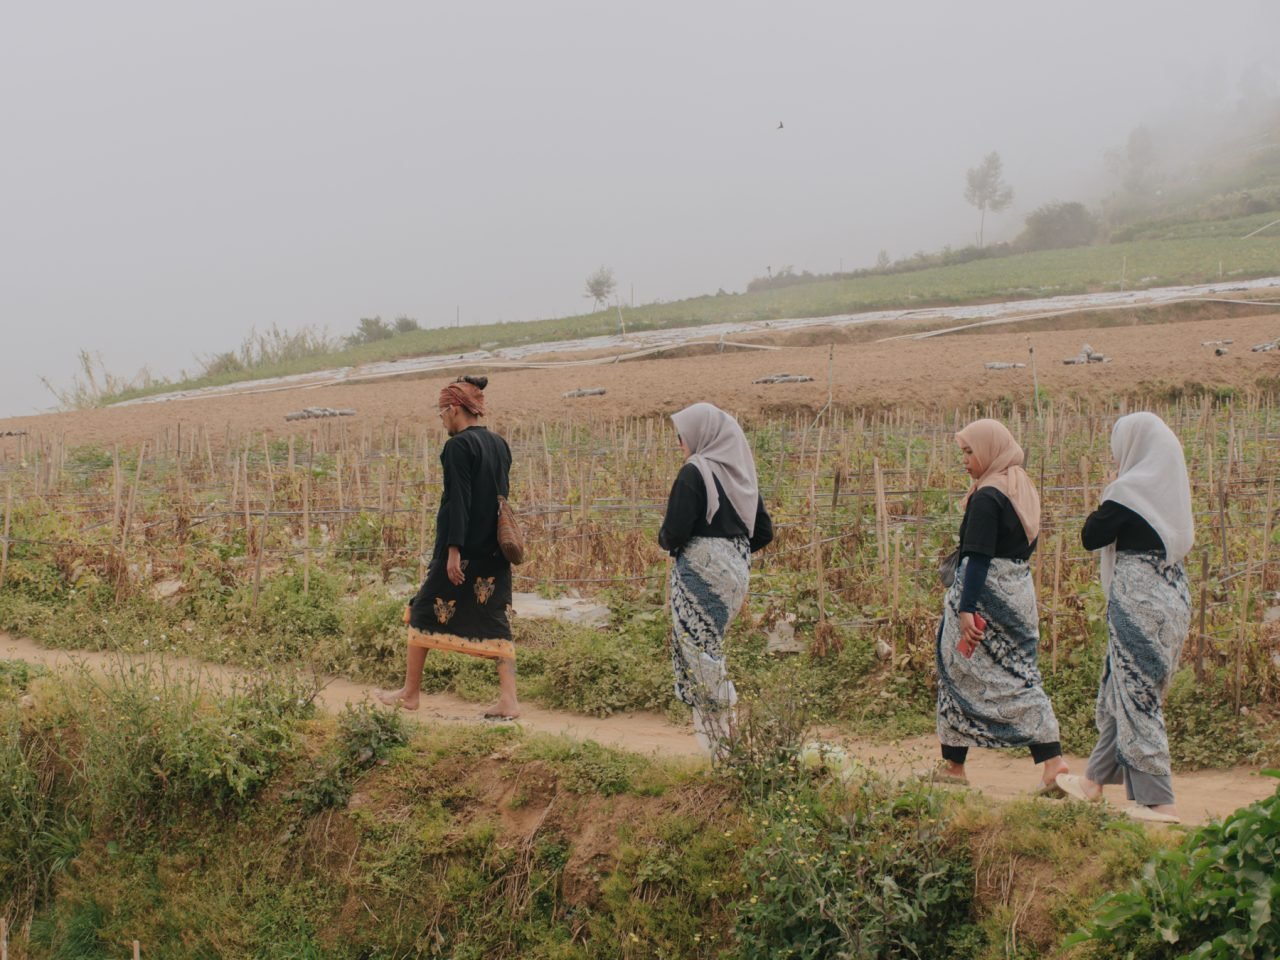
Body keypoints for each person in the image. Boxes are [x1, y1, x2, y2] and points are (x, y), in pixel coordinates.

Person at [1056, 412, 1194, 823]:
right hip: (1173, 597)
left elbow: (1090, 536)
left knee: (1137, 695)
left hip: (1138, 600)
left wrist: (1109, 491)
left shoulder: (1129, 491)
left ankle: (1159, 800)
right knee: (1126, 686)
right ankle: (1093, 782)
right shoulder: (1170, 495)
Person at [932, 419, 1067, 791]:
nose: (966, 459)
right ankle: (1052, 764)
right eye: (964, 452)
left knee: (956, 672)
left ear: (989, 451)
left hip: (984, 597)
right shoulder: (1019, 487)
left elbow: (976, 558)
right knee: (1020, 676)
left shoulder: (987, 497)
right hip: (1018, 593)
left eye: (970, 451)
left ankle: (953, 769)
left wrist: (965, 609)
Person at [376, 375, 519, 719]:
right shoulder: (499, 443)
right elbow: (500, 497)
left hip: (463, 551)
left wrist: (453, 550)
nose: (441, 418)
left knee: (422, 609)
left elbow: (459, 501)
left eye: (441, 412)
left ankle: (410, 694)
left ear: (455, 409)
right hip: (494, 550)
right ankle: (510, 700)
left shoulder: (457, 447)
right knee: (495, 618)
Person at [659, 403, 773, 759]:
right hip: (734, 576)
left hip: (700, 572)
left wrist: (692, 548)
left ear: (700, 435)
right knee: (709, 647)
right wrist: (730, 554)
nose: (679, 442)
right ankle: (729, 736)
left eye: (682, 435)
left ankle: (719, 750)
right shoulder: (737, 474)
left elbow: (673, 532)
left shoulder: (694, 473)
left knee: (698, 652)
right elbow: (764, 531)